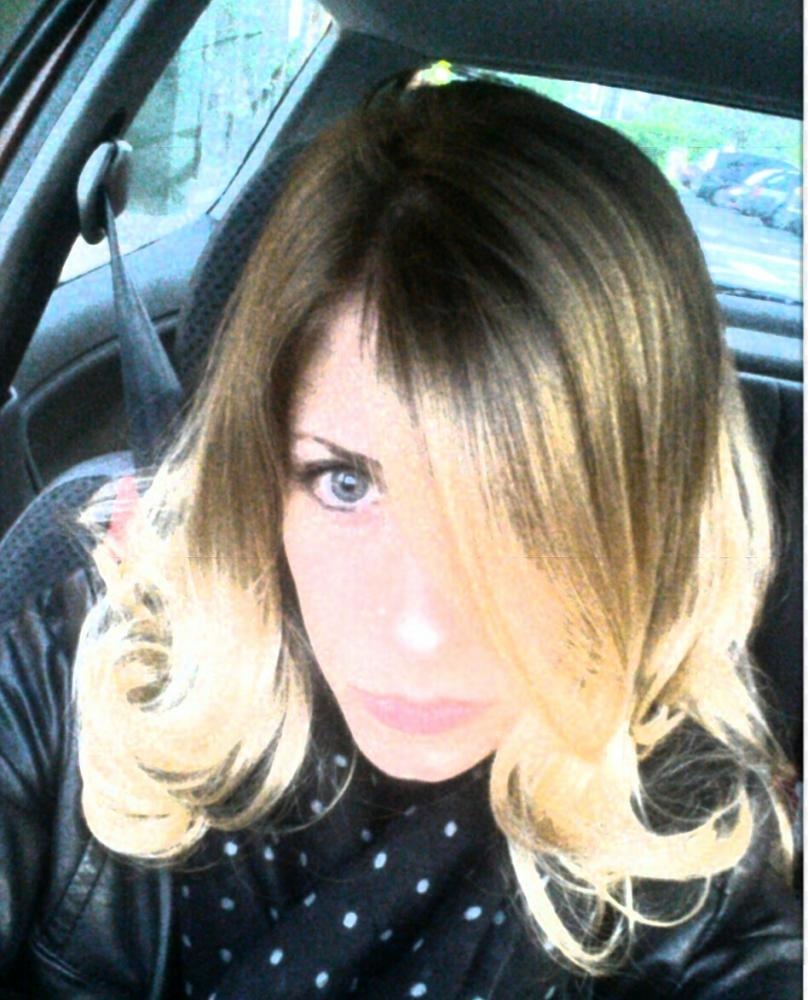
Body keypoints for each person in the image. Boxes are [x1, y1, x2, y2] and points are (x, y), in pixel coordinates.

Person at [0, 72, 800, 999]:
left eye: (529, 508)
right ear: (260, 477)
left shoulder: (694, 871)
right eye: (344, 484)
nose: (420, 631)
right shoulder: (90, 668)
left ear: (649, 517)